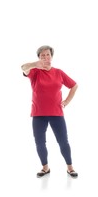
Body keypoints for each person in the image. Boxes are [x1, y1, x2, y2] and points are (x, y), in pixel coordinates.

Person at [21, 45, 78, 178]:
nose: (46, 57)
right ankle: (45, 168)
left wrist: (67, 101)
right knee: (40, 142)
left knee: (63, 141)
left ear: (51, 56)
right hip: (38, 113)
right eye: (42, 55)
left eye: (48, 55)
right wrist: (35, 64)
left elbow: (74, 85)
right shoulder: (34, 71)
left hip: (56, 113)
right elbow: (23, 68)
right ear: (39, 58)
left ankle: (70, 167)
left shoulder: (58, 72)